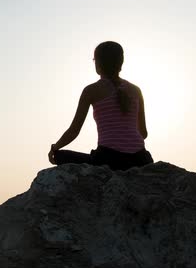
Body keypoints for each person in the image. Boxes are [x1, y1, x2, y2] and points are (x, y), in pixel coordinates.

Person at [47, 41, 153, 171]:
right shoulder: (136, 90)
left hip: (109, 159)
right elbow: (143, 133)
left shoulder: (91, 91)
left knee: (60, 156)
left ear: (98, 63)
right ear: (121, 62)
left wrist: (55, 147)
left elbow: (74, 130)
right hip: (142, 159)